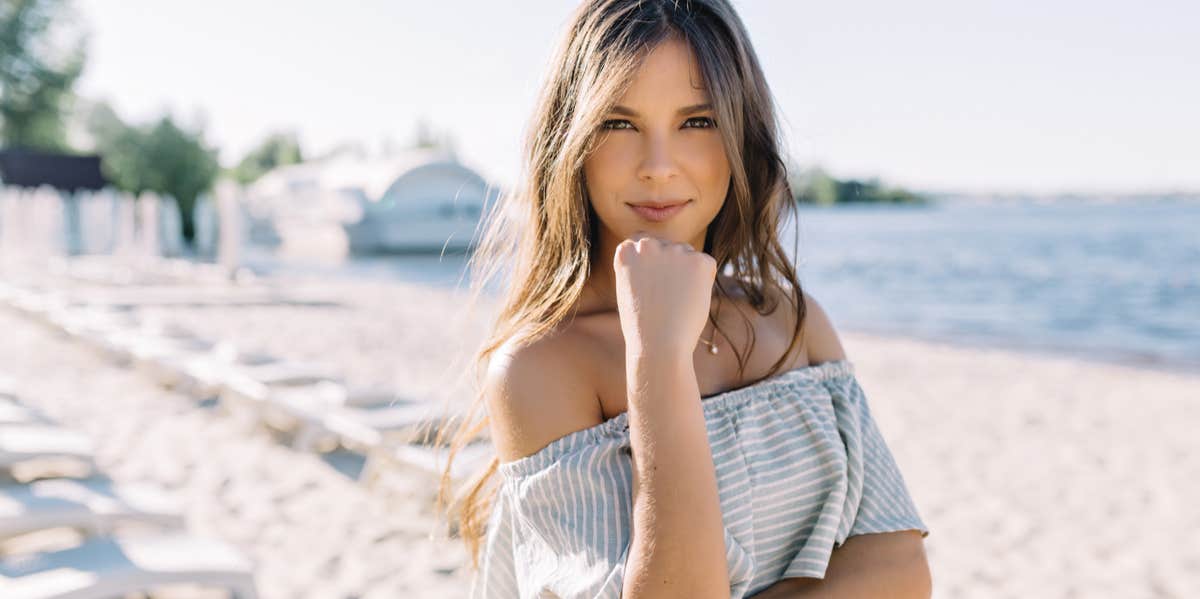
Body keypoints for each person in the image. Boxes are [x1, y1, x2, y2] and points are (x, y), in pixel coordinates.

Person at [437, 1, 932, 597]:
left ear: (741, 135)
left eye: (697, 122)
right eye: (618, 124)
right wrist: (659, 357)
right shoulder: (541, 367)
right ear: (571, 143)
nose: (658, 166)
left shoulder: (792, 321)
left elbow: (902, 569)